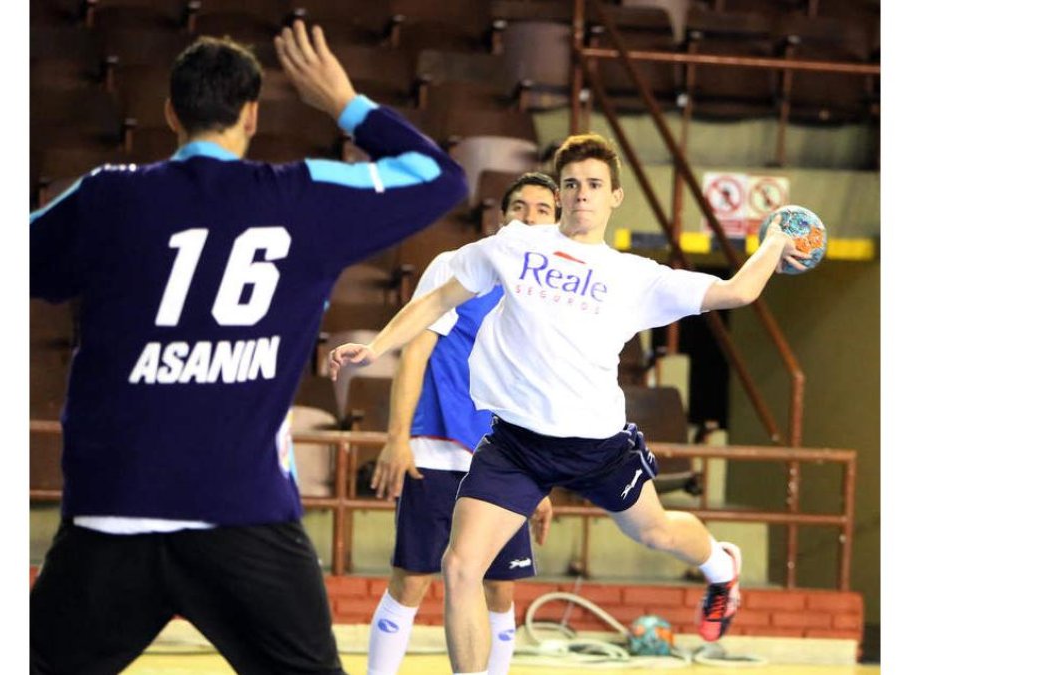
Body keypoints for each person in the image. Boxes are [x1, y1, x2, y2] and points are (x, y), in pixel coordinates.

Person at [29, 22, 467, 675]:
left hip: (111, 510)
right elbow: (440, 178)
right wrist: (345, 102)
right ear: (253, 116)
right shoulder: (302, 195)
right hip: (243, 515)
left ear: (171, 111)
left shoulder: (107, 195)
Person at [330, 133, 810, 675]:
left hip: (598, 447)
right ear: (560, 194)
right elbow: (437, 299)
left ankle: (722, 567)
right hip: (515, 445)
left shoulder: (636, 277)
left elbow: (736, 292)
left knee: (654, 531)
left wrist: (771, 244)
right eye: (573, 184)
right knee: (460, 566)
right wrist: (375, 347)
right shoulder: (513, 247)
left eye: (595, 185)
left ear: (615, 197)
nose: (583, 194)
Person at [365, 173, 560, 675]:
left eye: (542, 209)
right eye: (520, 206)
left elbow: (541, 390)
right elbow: (415, 353)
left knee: (499, 587)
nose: (529, 217)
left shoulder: (554, 296)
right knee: (411, 579)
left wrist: (542, 477)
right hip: (436, 451)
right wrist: (397, 438)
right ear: (501, 217)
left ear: (557, 220)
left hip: (508, 460)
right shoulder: (455, 267)